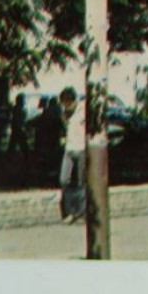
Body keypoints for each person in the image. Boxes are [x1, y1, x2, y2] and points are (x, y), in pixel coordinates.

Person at [57, 87, 86, 224]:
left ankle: (81, 212)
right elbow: (64, 129)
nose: (66, 106)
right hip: (69, 148)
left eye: (68, 103)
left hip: (81, 148)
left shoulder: (83, 110)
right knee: (64, 179)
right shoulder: (63, 113)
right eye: (64, 104)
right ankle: (67, 211)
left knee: (81, 181)